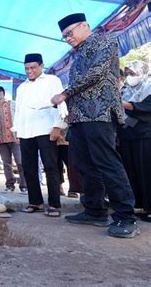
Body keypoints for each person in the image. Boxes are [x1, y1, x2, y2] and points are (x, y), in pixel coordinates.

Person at [51, 13, 139, 238]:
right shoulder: (78, 54)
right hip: (79, 117)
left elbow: (97, 73)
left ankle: (126, 216)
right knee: (85, 164)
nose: (68, 38)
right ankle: (94, 210)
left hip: (99, 113)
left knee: (107, 163)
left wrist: (65, 93)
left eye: (69, 33)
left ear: (85, 26)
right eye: (64, 36)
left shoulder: (104, 40)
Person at [14, 53, 66, 217]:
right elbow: (19, 111)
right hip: (26, 132)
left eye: (33, 67)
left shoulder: (52, 81)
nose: (29, 71)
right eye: (27, 68)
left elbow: (61, 104)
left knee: (51, 167)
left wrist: (57, 127)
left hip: (46, 130)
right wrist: (17, 130)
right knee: (28, 168)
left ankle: (54, 204)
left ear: (42, 66)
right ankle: (35, 202)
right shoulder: (22, 87)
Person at [117, 60, 151, 223]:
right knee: (131, 171)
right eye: (128, 73)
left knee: (147, 171)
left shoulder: (148, 87)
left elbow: (146, 107)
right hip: (126, 135)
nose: (130, 77)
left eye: (134, 73)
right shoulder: (125, 90)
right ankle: (139, 205)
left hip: (145, 136)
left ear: (143, 72)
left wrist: (124, 105)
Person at [0, 86, 27, 193]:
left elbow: (20, 119)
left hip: (14, 138)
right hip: (1, 139)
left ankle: (24, 185)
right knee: (6, 163)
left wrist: (19, 134)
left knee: (20, 162)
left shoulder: (12, 104)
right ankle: (10, 185)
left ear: (1, 93)